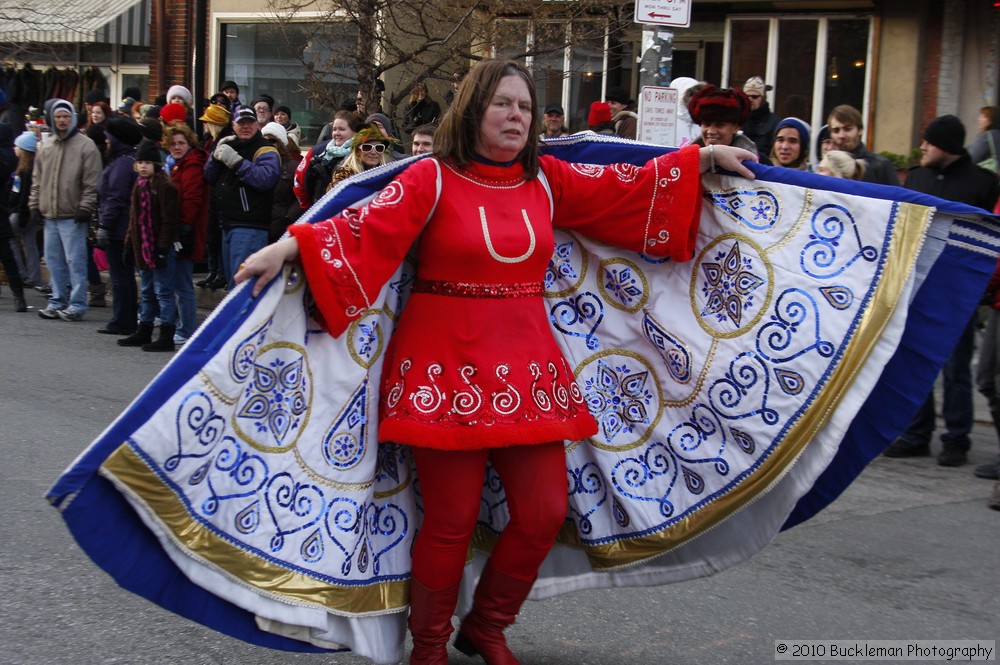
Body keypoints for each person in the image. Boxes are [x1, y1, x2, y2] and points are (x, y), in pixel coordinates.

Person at [235, 58, 756, 665]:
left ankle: (486, 626)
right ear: (474, 109)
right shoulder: (430, 179)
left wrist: (703, 160)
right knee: (450, 521)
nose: (516, 116)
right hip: (442, 367)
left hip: (530, 369)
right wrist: (287, 246)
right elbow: (362, 227)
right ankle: (428, 646)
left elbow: (624, 184)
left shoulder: (545, 180)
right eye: (503, 104)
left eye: (525, 107)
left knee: (543, 512)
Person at [884, 115, 1000, 467]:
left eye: (928, 141)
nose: (921, 147)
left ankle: (956, 438)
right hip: (917, 287)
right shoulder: (917, 178)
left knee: (956, 368)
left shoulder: (984, 183)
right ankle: (917, 434)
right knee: (914, 362)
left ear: (946, 145)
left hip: (958, 294)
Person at [29, 98, 102, 321]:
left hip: (73, 215)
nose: (62, 120)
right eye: (58, 116)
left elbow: (92, 181)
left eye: (66, 116)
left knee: (75, 261)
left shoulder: (85, 145)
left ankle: (77, 304)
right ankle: (57, 300)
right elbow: (37, 179)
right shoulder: (47, 146)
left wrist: (86, 207)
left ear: (72, 119)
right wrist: (34, 204)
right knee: (54, 260)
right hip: (50, 214)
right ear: (52, 118)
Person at [203, 107, 281, 289]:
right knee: (234, 284)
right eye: (241, 123)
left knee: (243, 286)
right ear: (233, 126)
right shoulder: (229, 145)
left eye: (250, 122)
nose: (246, 127)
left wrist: (237, 162)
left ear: (257, 124)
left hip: (250, 226)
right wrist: (215, 156)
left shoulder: (265, 148)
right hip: (227, 224)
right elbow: (208, 176)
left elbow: (266, 179)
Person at [117, 140, 181, 352]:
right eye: (140, 162)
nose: (143, 166)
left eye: (147, 162)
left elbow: (169, 220)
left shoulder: (164, 186)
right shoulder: (139, 185)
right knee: (145, 290)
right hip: (141, 246)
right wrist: (127, 244)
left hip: (159, 247)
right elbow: (134, 218)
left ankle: (166, 333)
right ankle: (144, 329)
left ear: (157, 164)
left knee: (163, 291)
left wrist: (163, 248)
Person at [94, 117, 142, 336]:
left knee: (120, 276)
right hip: (123, 226)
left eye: (108, 139)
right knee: (123, 276)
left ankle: (123, 320)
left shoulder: (122, 164)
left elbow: (115, 198)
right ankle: (125, 319)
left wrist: (105, 225)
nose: (105, 142)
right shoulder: (125, 160)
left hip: (119, 228)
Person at [163, 121, 209, 345]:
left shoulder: (191, 166)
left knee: (182, 283)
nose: (177, 147)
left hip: (185, 232)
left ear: (189, 143)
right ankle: (176, 324)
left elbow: (191, 198)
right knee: (175, 282)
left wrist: (185, 225)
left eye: (181, 143)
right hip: (175, 230)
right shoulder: (174, 165)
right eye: (173, 144)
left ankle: (187, 328)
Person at [295, 109, 365, 209]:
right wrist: (311, 174)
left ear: (354, 132)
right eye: (334, 129)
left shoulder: (360, 153)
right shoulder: (321, 151)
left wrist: (328, 180)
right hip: (318, 209)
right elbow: (301, 183)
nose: (336, 133)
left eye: (342, 129)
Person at [827, 104, 899, 186]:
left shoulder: (880, 165)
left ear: (860, 130)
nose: (841, 135)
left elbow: (896, 197)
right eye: (836, 130)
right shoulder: (826, 165)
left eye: (847, 129)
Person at [687, 85, 759, 158]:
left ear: (735, 127)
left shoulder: (756, 163)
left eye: (719, 125)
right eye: (706, 124)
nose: (711, 131)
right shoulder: (686, 161)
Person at [260, 121, 303, 243]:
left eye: (272, 141)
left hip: (283, 230)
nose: (268, 144)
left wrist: (287, 218)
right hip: (260, 226)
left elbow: (302, 197)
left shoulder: (294, 166)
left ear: (281, 143)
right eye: (265, 140)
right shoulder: (256, 165)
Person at [9, 130, 42, 290]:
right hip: (30, 212)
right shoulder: (32, 168)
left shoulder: (24, 171)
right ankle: (34, 276)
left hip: (21, 212)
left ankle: (20, 273)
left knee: (10, 240)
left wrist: (21, 212)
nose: (14, 149)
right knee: (30, 243)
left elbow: (22, 195)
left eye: (17, 147)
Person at [0, 123, 26, 312]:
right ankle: (19, 297)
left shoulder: (5, 156)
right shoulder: (9, 154)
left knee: (6, 255)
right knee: (7, 255)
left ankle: (19, 296)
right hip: (3, 210)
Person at [327, 124, 396, 190]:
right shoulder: (343, 175)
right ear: (357, 152)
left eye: (379, 148)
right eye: (367, 147)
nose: (373, 152)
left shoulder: (389, 173)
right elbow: (335, 197)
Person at [741, 76, 780, 158]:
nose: (750, 99)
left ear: (763, 98)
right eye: (747, 96)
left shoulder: (774, 122)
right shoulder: (737, 119)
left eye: (755, 97)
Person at [967, 106, 1000, 177]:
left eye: (983, 117)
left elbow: (970, 159)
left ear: (991, 120)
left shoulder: (987, 136)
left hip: (986, 179)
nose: (979, 119)